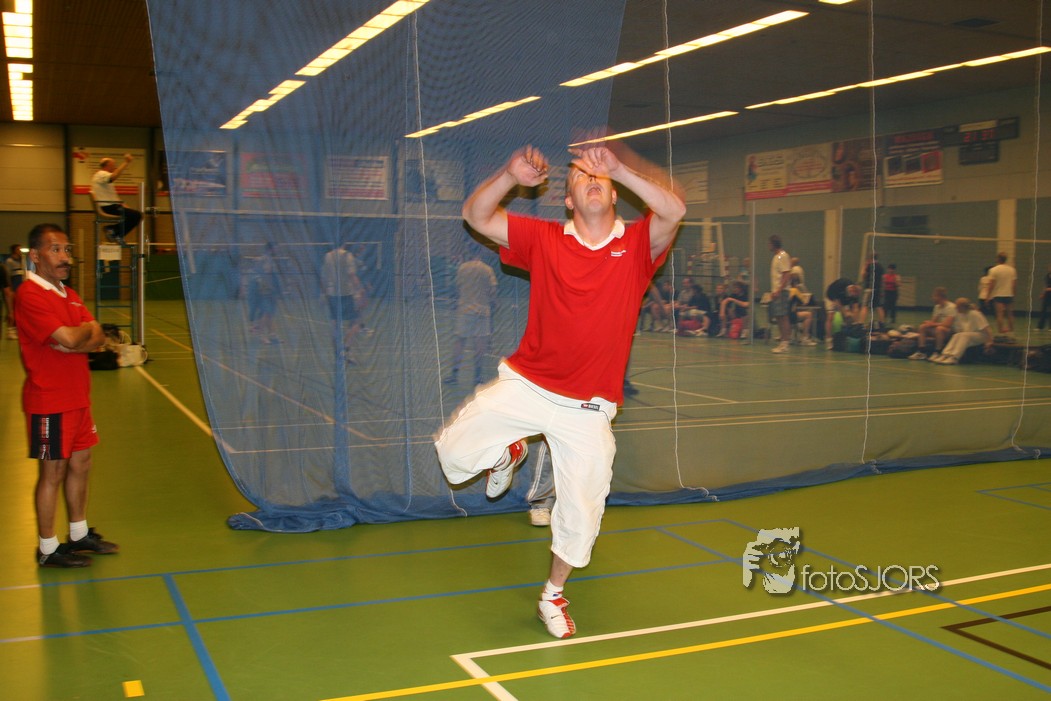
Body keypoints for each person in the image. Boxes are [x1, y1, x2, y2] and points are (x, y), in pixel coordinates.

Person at [435, 143, 685, 639]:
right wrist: (509, 175)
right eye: (579, 176)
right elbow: (476, 215)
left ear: (613, 193)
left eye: (600, 177)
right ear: (567, 199)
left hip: (587, 410)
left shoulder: (637, 245)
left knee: (582, 514)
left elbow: (673, 210)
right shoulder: (544, 238)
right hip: (527, 386)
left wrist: (618, 167)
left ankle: (552, 595)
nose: (591, 179)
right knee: (452, 455)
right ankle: (507, 452)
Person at [15, 223, 118, 567]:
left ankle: (78, 534)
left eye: (68, 250)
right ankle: (47, 549)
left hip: (78, 398)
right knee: (53, 473)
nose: (65, 257)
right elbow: (75, 338)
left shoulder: (68, 293)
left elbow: (97, 336)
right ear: (36, 255)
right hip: (50, 401)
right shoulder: (30, 294)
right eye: (56, 249)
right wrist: (81, 334)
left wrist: (81, 335)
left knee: (81, 464)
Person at [445, 252, 497, 386]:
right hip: (482, 311)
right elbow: (492, 291)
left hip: (465, 310)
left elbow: (457, 288)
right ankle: (477, 376)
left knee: (460, 342)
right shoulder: (487, 269)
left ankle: (454, 375)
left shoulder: (462, 268)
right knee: (480, 344)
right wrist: (492, 303)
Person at [321, 242, 365, 363]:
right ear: (344, 244)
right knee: (355, 322)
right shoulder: (347, 255)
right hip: (346, 294)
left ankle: (338, 353)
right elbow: (352, 275)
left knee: (335, 325)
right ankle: (346, 348)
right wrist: (360, 289)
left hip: (332, 294)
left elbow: (324, 277)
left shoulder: (327, 256)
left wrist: (323, 293)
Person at [90, 154, 143, 245]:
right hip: (108, 207)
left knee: (135, 215)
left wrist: (124, 205)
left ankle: (116, 233)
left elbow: (112, 196)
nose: (115, 167)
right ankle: (113, 230)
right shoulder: (101, 174)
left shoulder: (102, 177)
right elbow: (114, 176)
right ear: (108, 165)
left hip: (111, 206)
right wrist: (126, 162)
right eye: (113, 165)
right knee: (137, 215)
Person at [931, 297, 993, 365]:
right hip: (970, 335)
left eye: (957, 306)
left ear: (962, 307)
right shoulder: (960, 315)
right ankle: (946, 354)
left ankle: (955, 357)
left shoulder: (975, 314)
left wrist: (990, 341)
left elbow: (986, 328)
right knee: (956, 335)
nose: (956, 308)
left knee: (964, 335)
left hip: (982, 336)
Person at [908, 286, 955, 360]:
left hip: (949, 331)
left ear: (940, 297)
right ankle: (922, 351)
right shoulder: (937, 307)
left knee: (939, 329)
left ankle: (937, 352)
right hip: (938, 328)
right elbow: (933, 321)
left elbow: (948, 324)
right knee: (923, 327)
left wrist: (933, 324)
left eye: (934, 296)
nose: (932, 298)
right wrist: (929, 323)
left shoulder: (951, 307)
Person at [248, 242, 280, 344]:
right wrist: (264, 286)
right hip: (264, 291)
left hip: (269, 291)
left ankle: (272, 334)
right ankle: (261, 336)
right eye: (276, 248)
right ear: (271, 249)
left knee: (269, 314)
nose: (277, 250)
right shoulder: (264, 260)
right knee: (265, 313)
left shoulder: (269, 260)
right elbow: (262, 274)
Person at [768, 235, 793, 354]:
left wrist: (779, 290)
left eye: (769, 243)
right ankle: (782, 340)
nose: (768, 246)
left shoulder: (783, 256)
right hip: (776, 291)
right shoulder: (775, 257)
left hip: (782, 291)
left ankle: (785, 342)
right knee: (778, 316)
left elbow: (786, 274)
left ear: (774, 244)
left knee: (783, 316)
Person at [824, 278, 861, 349]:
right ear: (851, 289)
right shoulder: (840, 285)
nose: (853, 296)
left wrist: (856, 322)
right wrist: (845, 313)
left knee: (849, 318)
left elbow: (855, 308)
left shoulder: (855, 293)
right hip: (831, 297)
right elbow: (838, 303)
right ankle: (828, 339)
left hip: (843, 300)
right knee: (830, 317)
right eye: (852, 294)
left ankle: (846, 335)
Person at [986, 252, 1017, 334]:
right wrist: (1013, 293)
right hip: (1009, 294)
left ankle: (1000, 330)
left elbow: (991, 284)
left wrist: (988, 296)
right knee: (1010, 314)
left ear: (998, 259)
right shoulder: (1012, 270)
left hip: (998, 294)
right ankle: (1011, 330)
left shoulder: (993, 270)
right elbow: (1014, 284)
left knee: (999, 314)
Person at [859, 252, 884, 327]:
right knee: (878, 306)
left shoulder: (869, 266)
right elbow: (882, 279)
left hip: (869, 289)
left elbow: (863, 275)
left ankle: (861, 324)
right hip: (877, 289)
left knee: (865, 306)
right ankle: (882, 323)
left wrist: (864, 266)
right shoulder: (880, 267)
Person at [5, 243, 24, 339]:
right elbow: (7, 276)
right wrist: (10, 289)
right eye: (18, 249)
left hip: (21, 289)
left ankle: (17, 329)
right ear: (14, 251)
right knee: (11, 310)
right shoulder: (9, 261)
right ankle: (10, 330)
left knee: (19, 309)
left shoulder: (22, 261)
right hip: (13, 289)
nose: (20, 251)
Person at [1038, 264, 1051, 331]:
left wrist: (1049, 289)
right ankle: (1040, 326)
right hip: (1047, 295)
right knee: (1043, 310)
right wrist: (1043, 293)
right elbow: (1045, 286)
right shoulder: (1047, 276)